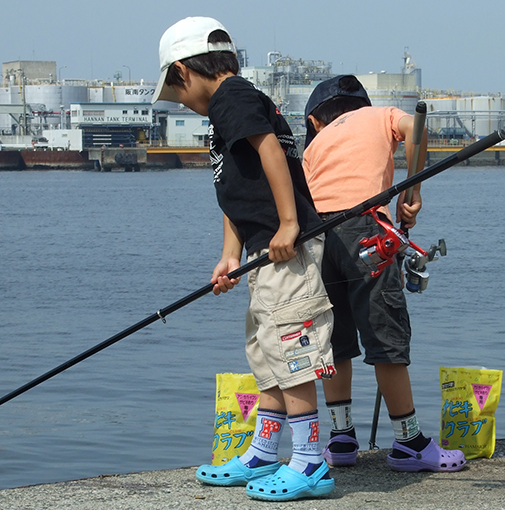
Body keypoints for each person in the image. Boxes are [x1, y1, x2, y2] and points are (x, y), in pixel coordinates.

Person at [152, 17, 336, 501]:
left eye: (177, 92)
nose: (183, 103)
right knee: (267, 352)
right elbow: (236, 194)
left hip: (286, 248)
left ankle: (310, 462)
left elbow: (270, 150)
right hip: (262, 252)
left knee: (294, 354)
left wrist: (290, 225)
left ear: (182, 72)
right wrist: (229, 256)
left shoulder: (230, 97)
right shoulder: (229, 107)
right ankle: (263, 451)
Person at [301, 75, 466, 472]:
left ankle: (341, 441)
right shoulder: (380, 115)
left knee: (333, 339)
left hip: (315, 237)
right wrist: (414, 191)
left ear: (314, 122)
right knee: (385, 334)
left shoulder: (313, 148)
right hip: (365, 232)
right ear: (362, 104)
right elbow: (418, 130)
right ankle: (409, 442)